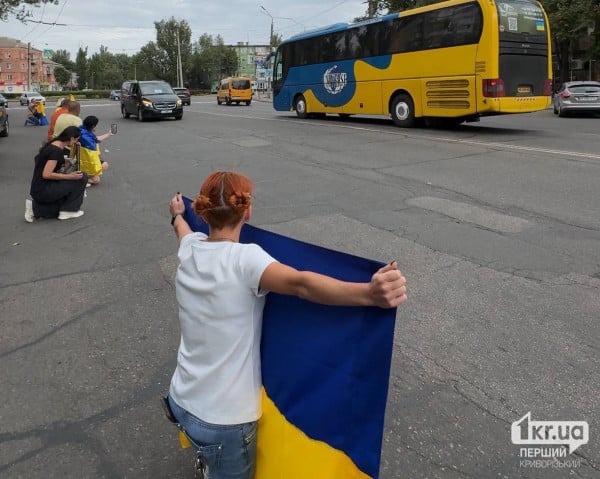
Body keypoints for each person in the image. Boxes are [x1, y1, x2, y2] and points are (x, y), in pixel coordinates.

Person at [166, 171, 408, 479]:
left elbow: (182, 230)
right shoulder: (246, 260)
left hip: (182, 399)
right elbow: (301, 285)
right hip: (224, 419)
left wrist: (176, 214)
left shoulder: (191, 249)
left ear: (202, 210)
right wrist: (370, 294)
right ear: (247, 211)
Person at [25, 125, 88, 222]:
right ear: (71, 138)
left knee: (70, 192)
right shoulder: (56, 151)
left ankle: (35, 209)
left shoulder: (54, 144)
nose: (76, 142)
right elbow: (46, 174)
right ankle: (69, 210)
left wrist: (73, 154)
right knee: (81, 177)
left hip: (39, 187)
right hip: (43, 189)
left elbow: (59, 168)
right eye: (76, 140)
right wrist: (70, 177)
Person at [79, 115, 113, 185]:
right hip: (86, 160)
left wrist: (108, 134)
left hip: (80, 158)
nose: (96, 127)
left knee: (96, 178)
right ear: (92, 126)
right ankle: (81, 179)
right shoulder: (87, 138)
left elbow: (95, 139)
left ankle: (84, 177)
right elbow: (94, 143)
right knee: (97, 179)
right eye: (96, 125)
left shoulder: (82, 130)